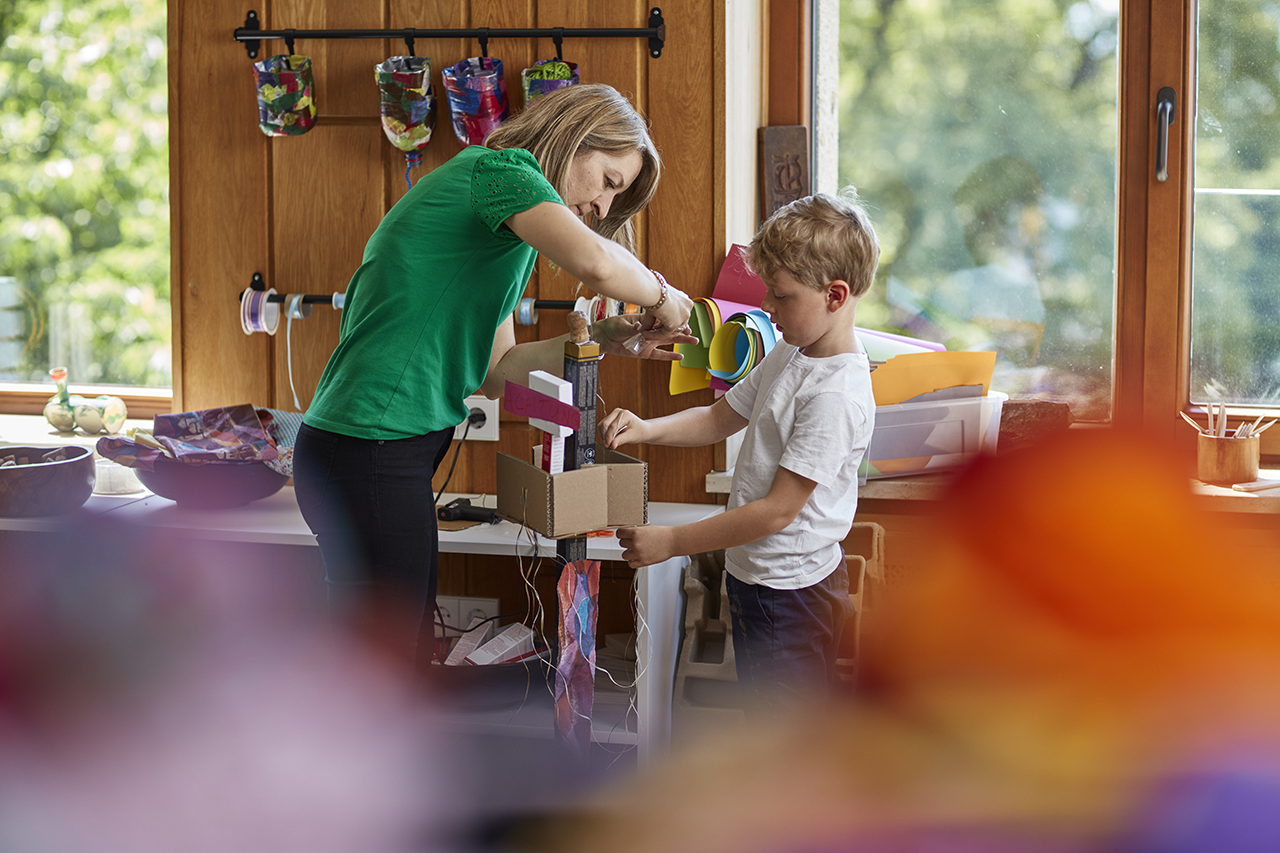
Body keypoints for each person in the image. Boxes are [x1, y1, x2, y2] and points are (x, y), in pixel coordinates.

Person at [293, 83, 694, 669]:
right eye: (608, 181)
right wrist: (664, 294)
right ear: (576, 138)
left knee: (374, 668)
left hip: (371, 451)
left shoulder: (505, 225)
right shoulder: (500, 171)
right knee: (384, 675)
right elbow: (595, 261)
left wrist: (602, 340)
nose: (604, 209)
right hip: (369, 447)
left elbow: (498, 373)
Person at [599, 191, 880, 717]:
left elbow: (777, 511)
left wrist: (674, 542)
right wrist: (644, 429)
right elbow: (719, 417)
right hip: (758, 578)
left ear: (835, 295)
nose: (767, 308)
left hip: (790, 594)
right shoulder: (792, 351)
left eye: (781, 296)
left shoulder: (835, 394)